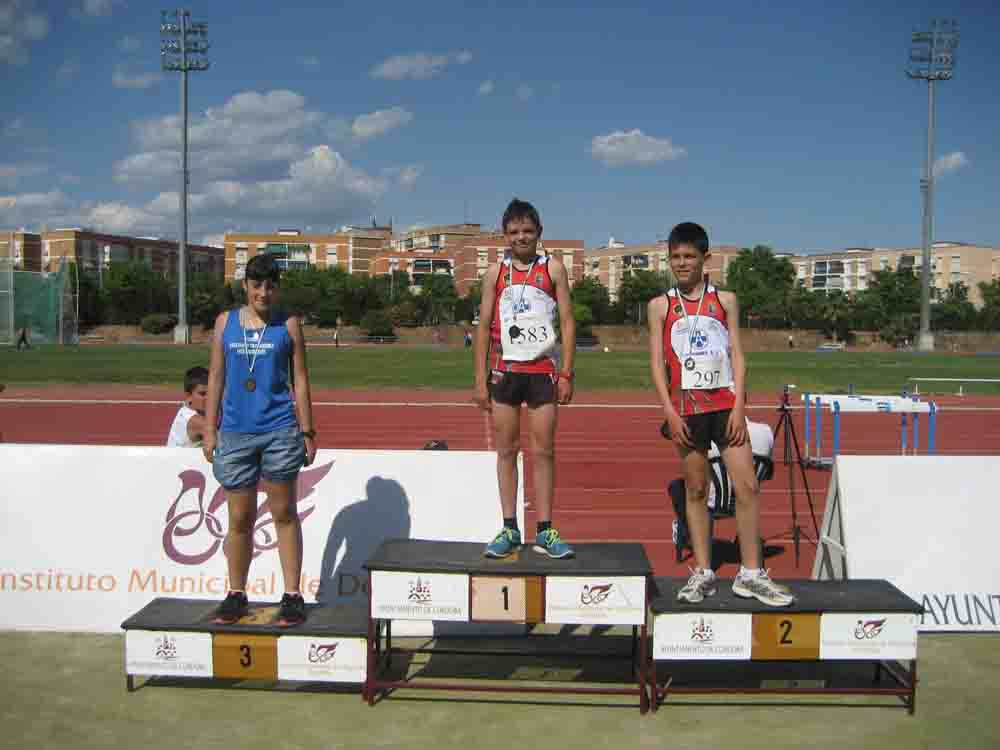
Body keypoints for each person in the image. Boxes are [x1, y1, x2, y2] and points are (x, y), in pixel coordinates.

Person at [648, 222, 793, 606]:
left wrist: (740, 405)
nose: (682, 264)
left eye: (689, 256)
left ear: (704, 258)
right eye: (675, 257)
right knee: (697, 491)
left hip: (725, 408)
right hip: (687, 412)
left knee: (747, 486)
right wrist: (670, 413)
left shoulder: (725, 301)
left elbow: (737, 356)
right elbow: (657, 366)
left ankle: (751, 573)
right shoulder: (660, 306)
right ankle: (703, 573)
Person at [202, 254, 318, 626]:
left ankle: (292, 594)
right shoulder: (225, 323)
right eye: (256, 285)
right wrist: (209, 427)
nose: (263, 293)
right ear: (245, 286)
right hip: (235, 432)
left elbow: (299, 379)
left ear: (277, 287)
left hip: (280, 430)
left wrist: (307, 430)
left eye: (270, 286)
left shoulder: (289, 325)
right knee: (239, 517)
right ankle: (236, 593)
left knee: (284, 513)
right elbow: (216, 377)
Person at [474, 198, 576, 559]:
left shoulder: (554, 270)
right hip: (505, 372)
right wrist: (478, 378)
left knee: (544, 450)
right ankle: (509, 527)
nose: (521, 237)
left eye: (528, 231)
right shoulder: (494, 274)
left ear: (539, 233)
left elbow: (567, 322)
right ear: (504, 235)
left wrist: (566, 372)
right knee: (506, 450)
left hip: (542, 373)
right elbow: (484, 326)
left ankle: (545, 529)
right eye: (514, 231)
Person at [166, 366, 209, 447]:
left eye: (211, 393)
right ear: (188, 395)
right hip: (179, 460)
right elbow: (227, 442)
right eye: (202, 394)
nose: (208, 398)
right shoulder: (195, 421)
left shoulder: (187, 409)